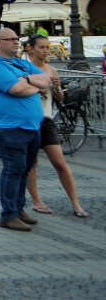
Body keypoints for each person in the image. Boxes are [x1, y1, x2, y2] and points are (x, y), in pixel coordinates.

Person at [0, 27, 48, 231]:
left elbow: (46, 78)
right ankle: (8, 214)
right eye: (10, 39)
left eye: (17, 38)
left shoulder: (21, 63)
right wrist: (34, 85)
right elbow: (16, 90)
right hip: (8, 126)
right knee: (14, 169)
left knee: (25, 169)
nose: (16, 41)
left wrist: (29, 81)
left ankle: (18, 209)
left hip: (31, 125)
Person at [22, 35, 88, 218]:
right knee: (32, 162)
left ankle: (76, 203)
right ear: (31, 49)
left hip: (46, 119)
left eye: (47, 47)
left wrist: (57, 88)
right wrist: (36, 88)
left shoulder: (51, 70)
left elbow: (60, 99)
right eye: (41, 47)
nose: (45, 50)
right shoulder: (24, 68)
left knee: (60, 163)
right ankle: (36, 200)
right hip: (29, 119)